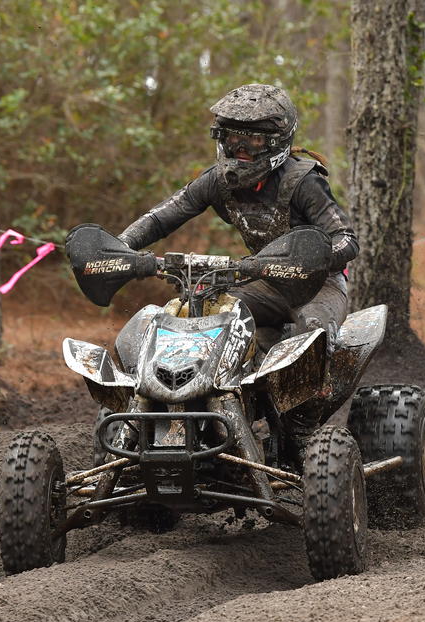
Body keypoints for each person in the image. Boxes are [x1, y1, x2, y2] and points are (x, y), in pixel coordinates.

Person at [116, 83, 358, 453]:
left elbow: (346, 239)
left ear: (276, 142)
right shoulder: (218, 180)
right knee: (204, 316)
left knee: (314, 332)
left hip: (318, 284)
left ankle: (301, 432)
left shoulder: (303, 181)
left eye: (253, 141)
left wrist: (315, 258)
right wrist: (122, 246)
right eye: (233, 139)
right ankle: (211, 415)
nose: (241, 149)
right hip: (264, 284)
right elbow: (163, 217)